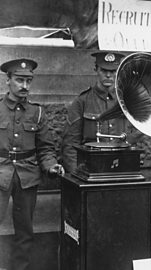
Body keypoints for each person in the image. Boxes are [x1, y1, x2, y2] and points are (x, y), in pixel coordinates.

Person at [0, 59, 64, 270]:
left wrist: (51, 166)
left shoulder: (37, 113)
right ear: (7, 80)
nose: (24, 86)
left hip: (27, 176)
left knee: (25, 230)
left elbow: (45, 148)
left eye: (28, 81)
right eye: (19, 80)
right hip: (0, 174)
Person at [61, 51, 142, 173]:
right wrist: (76, 175)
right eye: (104, 71)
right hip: (91, 169)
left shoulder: (128, 101)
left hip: (121, 168)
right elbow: (70, 144)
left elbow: (137, 133)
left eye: (113, 71)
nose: (108, 75)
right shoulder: (82, 101)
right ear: (96, 69)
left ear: (119, 72)